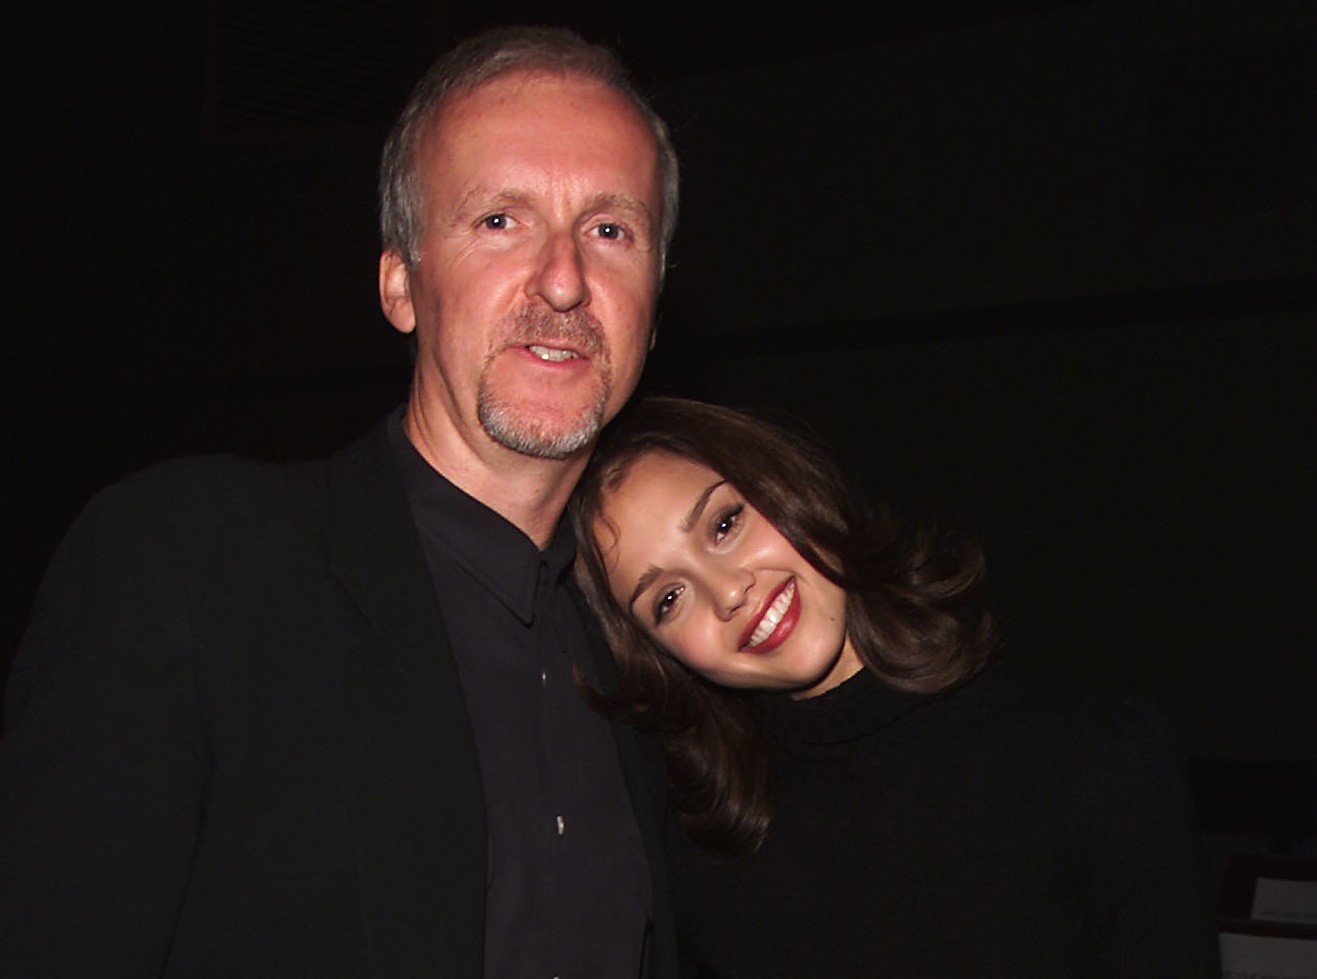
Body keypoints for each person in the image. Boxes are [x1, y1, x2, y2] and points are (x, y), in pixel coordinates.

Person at [0, 26, 680, 978]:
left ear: (654, 301)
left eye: (611, 230)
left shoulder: (651, 646)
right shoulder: (188, 565)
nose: (564, 280)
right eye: (500, 221)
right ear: (400, 283)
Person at [570, 396, 1221, 978]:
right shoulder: (686, 851)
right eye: (668, 598)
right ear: (654, 654)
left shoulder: (1091, 755)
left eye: (722, 524)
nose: (730, 591)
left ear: (787, 484)